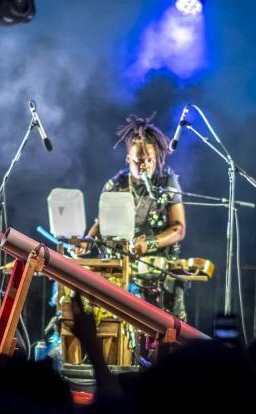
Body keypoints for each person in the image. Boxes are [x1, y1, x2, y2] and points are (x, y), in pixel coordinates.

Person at [79, 114, 187, 320]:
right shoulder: (115, 185)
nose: (145, 165)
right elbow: (101, 223)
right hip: (122, 274)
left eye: (150, 160)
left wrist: (150, 243)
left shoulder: (167, 181)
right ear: (128, 159)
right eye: (139, 161)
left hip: (160, 273)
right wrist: (87, 241)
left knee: (167, 334)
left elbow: (179, 229)